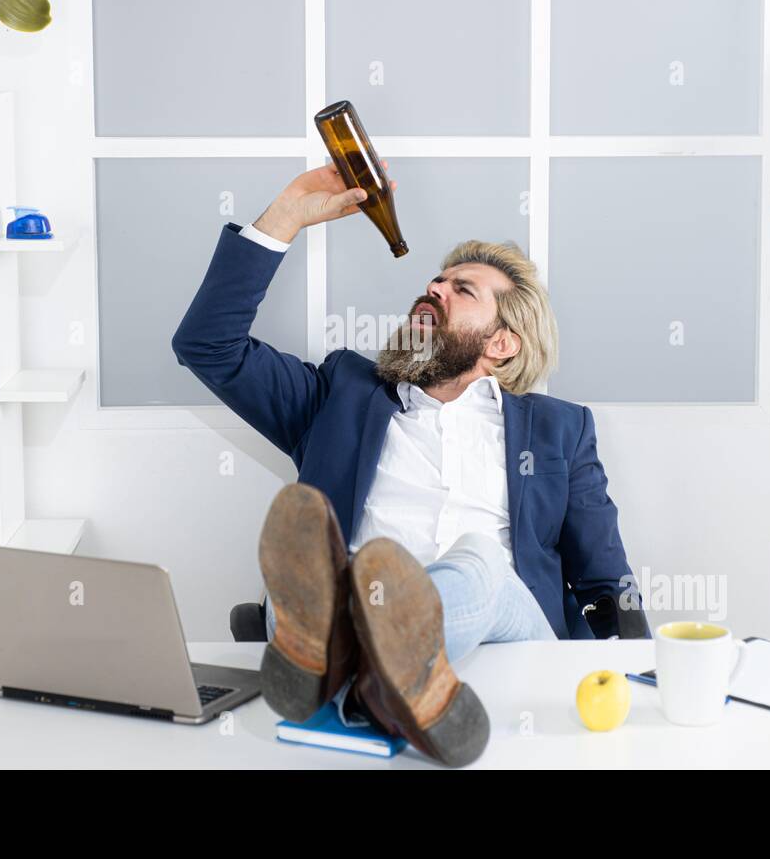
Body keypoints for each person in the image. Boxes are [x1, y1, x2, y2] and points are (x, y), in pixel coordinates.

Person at [172, 164, 644, 767]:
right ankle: (385, 687)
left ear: (501, 344)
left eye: (461, 290)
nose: (435, 288)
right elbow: (206, 345)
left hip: (507, 649)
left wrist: (644, 690)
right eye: (437, 280)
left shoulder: (559, 430)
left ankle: (351, 674)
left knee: (480, 564)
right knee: (337, 566)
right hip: (358, 613)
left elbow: (608, 586)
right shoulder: (340, 394)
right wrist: (287, 214)